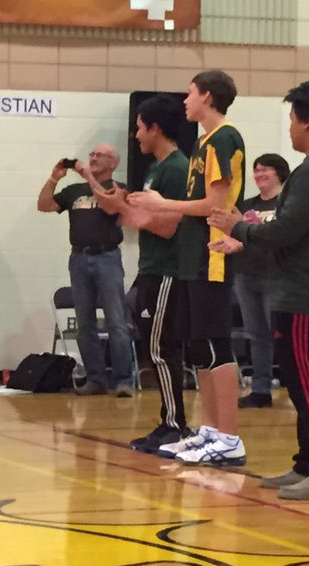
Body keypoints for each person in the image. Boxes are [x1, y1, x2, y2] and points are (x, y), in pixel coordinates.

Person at [209, 81, 309, 500]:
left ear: (307, 121)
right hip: (298, 290)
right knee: (298, 380)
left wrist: (239, 227)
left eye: (291, 118)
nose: (289, 127)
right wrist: (246, 235)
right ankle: (307, 463)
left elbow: (287, 230)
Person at [129, 69, 247, 466]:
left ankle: (229, 437)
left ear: (207, 96)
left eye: (191, 92)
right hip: (192, 256)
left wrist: (163, 204)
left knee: (215, 345)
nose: (185, 100)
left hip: (212, 254)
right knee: (199, 348)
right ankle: (210, 430)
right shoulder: (203, 142)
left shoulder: (224, 137)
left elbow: (216, 205)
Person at [121, 95, 193, 453]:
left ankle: (175, 425)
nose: (136, 135)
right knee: (155, 348)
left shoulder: (177, 169)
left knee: (162, 349)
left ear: (155, 128)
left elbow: (170, 226)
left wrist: (137, 216)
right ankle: (168, 421)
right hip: (151, 268)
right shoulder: (154, 169)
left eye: (139, 128)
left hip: (167, 270)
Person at [36, 144, 135, 397]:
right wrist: (54, 178)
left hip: (107, 257)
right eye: (91, 154)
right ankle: (95, 379)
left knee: (116, 321)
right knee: (85, 324)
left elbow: (111, 207)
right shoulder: (74, 191)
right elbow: (43, 205)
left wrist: (89, 177)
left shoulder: (119, 188)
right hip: (79, 258)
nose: (92, 157)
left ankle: (123, 380)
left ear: (113, 163)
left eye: (99, 155)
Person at [235, 153, 290, 409]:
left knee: (282, 335)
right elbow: (238, 236)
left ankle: (296, 385)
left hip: (276, 276)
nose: (258, 175)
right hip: (246, 273)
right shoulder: (247, 206)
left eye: (264, 170)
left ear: (279, 173)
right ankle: (260, 390)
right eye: (256, 171)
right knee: (256, 335)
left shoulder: (286, 205)